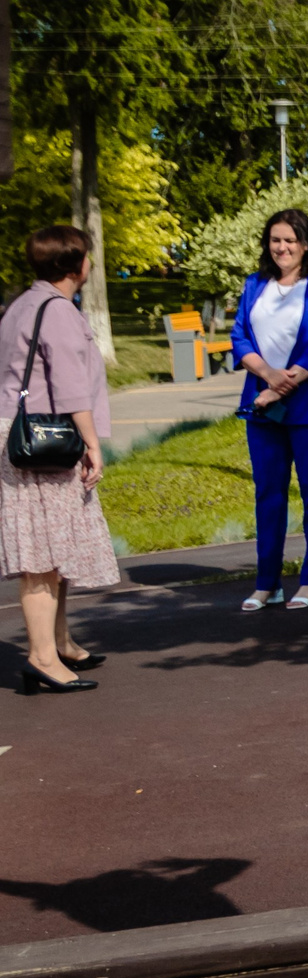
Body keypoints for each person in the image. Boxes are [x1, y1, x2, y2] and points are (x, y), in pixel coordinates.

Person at [4, 226, 116, 694]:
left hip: (20, 439)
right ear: (77, 265)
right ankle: (43, 657)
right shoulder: (59, 313)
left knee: (55, 550)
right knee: (43, 557)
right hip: (48, 446)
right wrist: (92, 443)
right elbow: (71, 387)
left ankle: (60, 641)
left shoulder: (21, 306)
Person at [233, 207, 308, 612]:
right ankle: (268, 583)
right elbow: (240, 335)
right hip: (261, 401)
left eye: (289, 240)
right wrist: (265, 375)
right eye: (275, 240)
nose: (282, 247)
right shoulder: (255, 283)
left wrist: (282, 386)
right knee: (268, 493)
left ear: (305, 243)